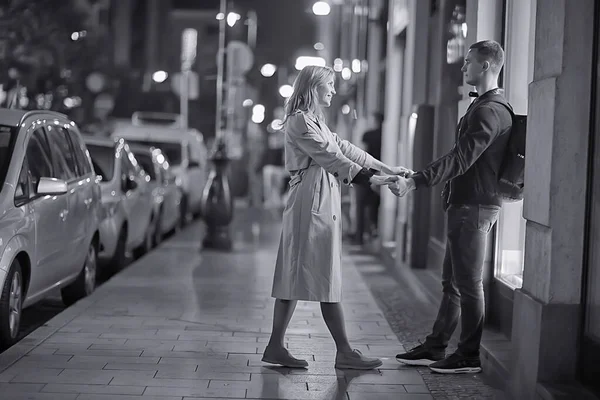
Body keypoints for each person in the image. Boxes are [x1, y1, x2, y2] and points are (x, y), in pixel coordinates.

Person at [262, 65, 408, 369]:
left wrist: (387, 169)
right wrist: (369, 179)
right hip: (309, 201)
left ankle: (281, 346)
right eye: (329, 84)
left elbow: (348, 150)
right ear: (314, 87)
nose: (333, 90)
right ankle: (342, 352)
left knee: (302, 275)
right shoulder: (300, 121)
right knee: (315, 275)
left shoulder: (317, 121)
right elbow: (331, 158)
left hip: (319, 197)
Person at [389, 40, 513, 374]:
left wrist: (417, 180)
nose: (463, 67)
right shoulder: (485, 106)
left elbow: (461, 158)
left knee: (469, 284)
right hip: (466, 204)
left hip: (474, 207)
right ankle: (436, 344)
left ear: (485, 66)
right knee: (453, 283)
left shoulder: (489, 110)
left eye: (468, 61)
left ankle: (469, 354)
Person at [354, 112, 384, 244]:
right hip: (382, 173)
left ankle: (360, 236)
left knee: (361, 205)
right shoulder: (386, 135)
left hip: (366, 174)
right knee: (376, 205)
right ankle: (375, 230)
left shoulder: (368, 135)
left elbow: (362, 155)